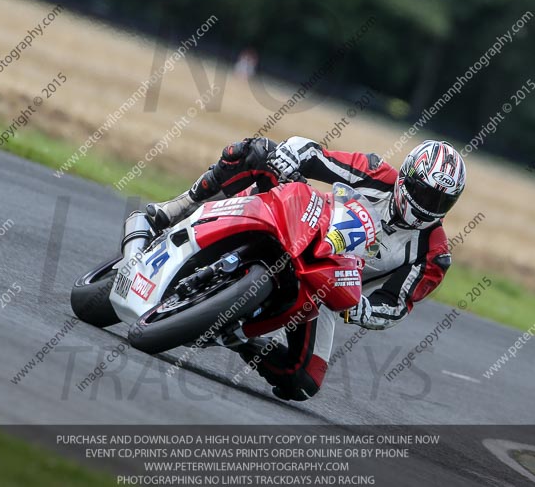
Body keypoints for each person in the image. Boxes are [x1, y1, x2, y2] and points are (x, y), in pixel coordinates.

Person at [146, 136, 466, 401]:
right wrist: (291, 155)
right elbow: (315, 154)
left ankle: (235, 337)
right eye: (424, 193)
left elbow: (395, 306)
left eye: (440, 202)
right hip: (303, 221)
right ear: (405, 177)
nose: (428, 206)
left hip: (327, 289)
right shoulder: (375, 173)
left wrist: (361, 309)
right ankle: (177, 207)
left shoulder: (434, 254)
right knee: (257, 151)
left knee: (303, 381)